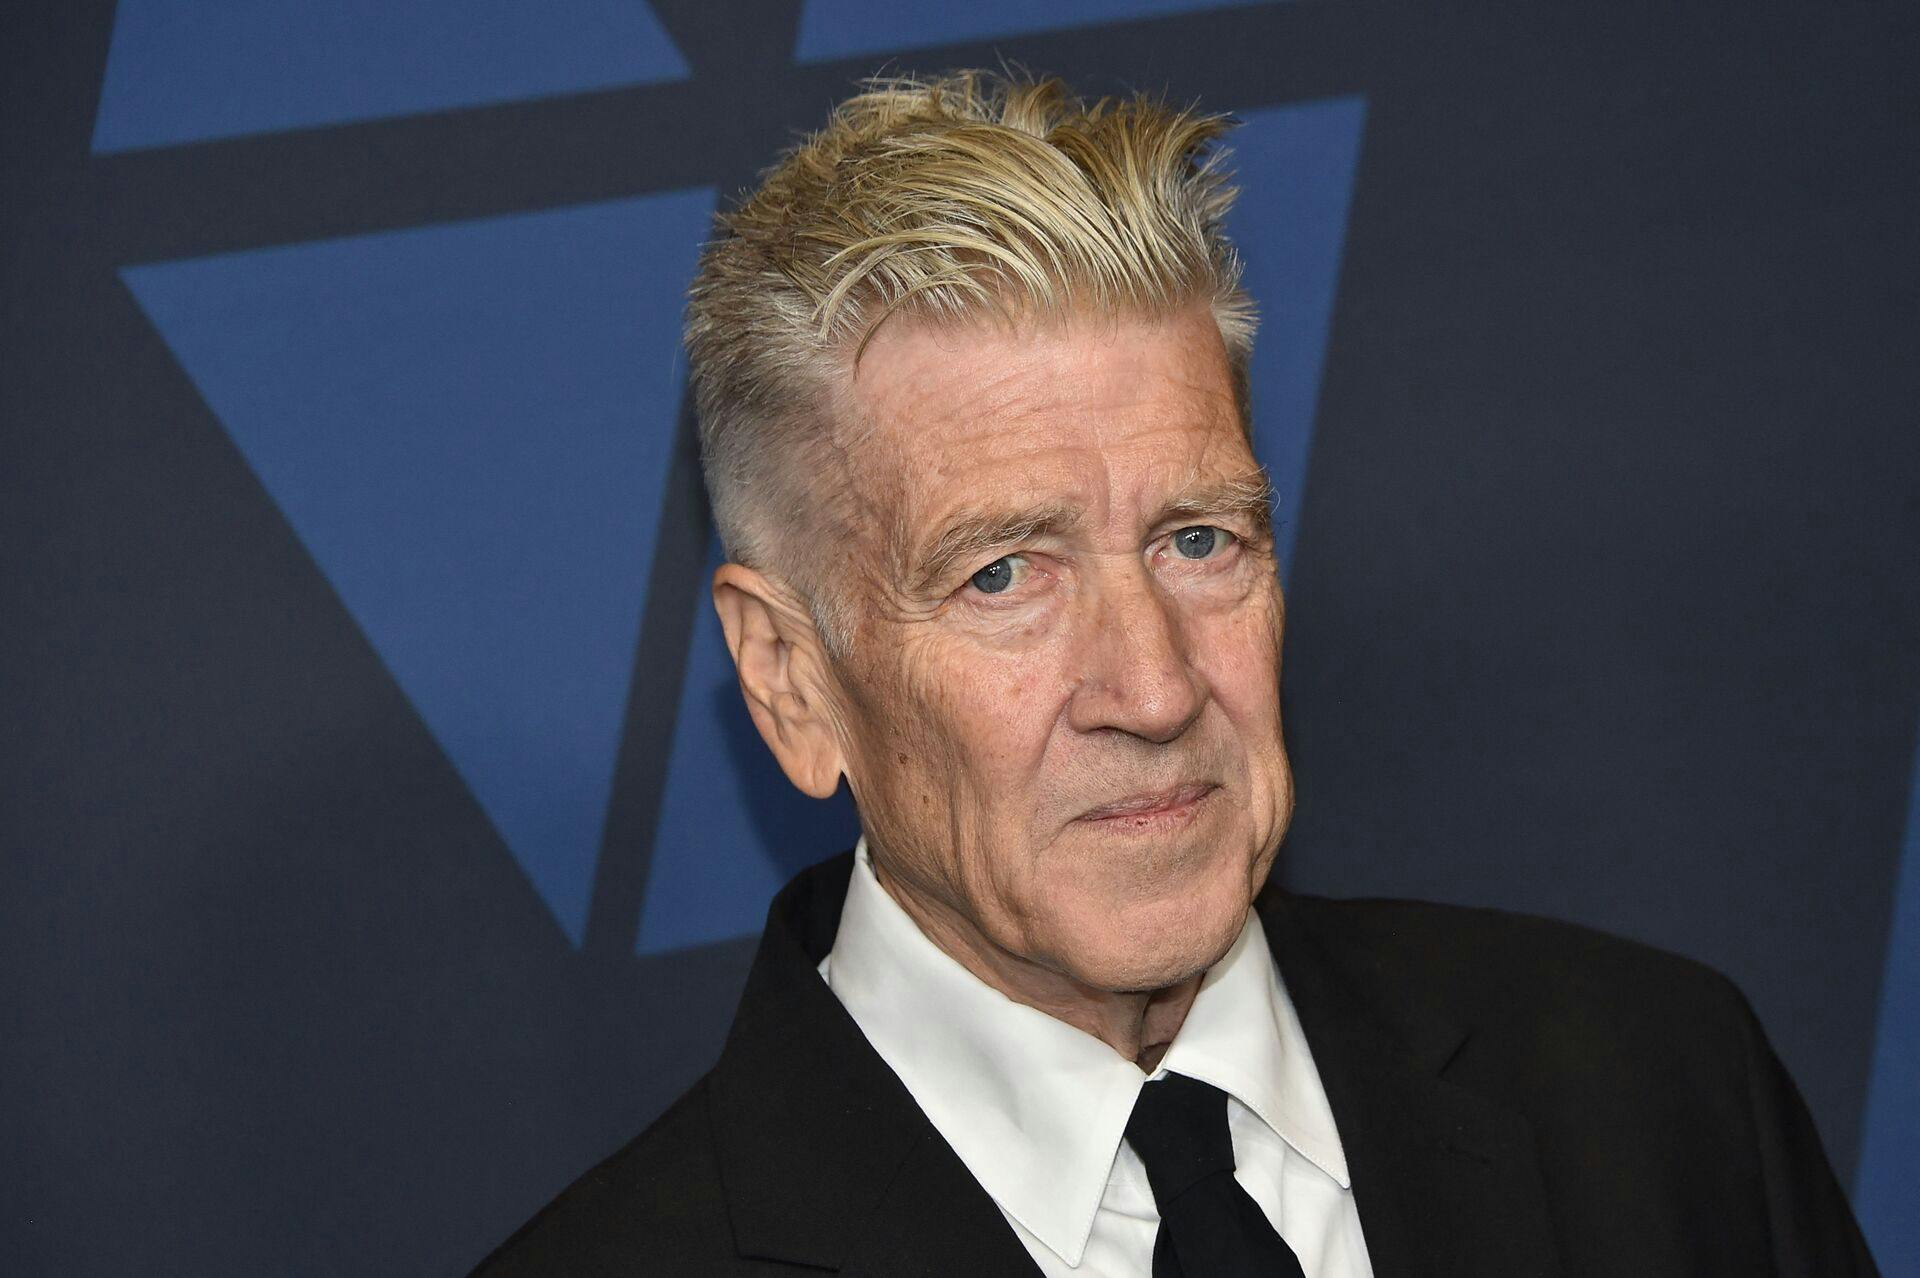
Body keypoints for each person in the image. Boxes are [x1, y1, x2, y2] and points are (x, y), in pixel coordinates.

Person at [475, 70, 1876, 1277]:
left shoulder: (1663, 1102)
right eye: (1004, 575)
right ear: (790, 678)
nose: (1151, 690)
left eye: (1198, 539)